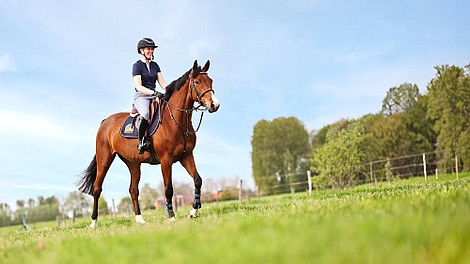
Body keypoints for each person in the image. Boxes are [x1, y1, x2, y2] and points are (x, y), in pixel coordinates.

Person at [132, 37, 168, 154]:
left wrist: (170, 91)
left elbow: (162, 83)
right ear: (142, 50)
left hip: (154, 95)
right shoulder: (137, 66)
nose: (151, 51)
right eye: (149, 49)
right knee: (146, 113)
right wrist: (153, 93)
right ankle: (141, 141)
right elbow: (139, 86)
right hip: (141, 96)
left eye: (152, 49)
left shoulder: (155, 65)